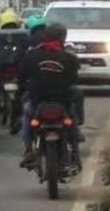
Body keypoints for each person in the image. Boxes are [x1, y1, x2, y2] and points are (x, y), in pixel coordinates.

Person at [17, 23, 80, 167]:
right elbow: (74, 80)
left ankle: (28, 149)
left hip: (38, 102)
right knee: (72, 118)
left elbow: (21, 77)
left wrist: (24, 88)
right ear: (62, 38)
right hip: (62, 102)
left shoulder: (31, 55)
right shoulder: (69, 58)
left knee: (27, 116)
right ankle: (75, 151)